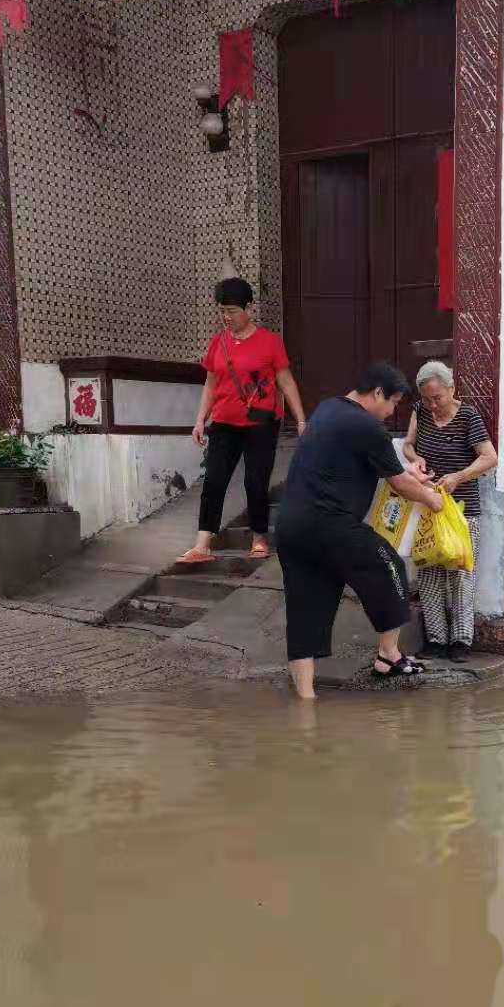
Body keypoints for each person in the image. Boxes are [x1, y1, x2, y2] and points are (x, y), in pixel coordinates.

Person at [276, 362, 444, 701]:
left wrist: (411, 475)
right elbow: (398, 481)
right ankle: (389, 656)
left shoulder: (327, 409)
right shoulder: (367, 426)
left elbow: (388, 467)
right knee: (389, 566)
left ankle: (306, 700)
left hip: (291, 526)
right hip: (330, 523)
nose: (391, 410)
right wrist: (432, 499)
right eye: (392, 402)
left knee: (305, 606)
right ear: (378, 392)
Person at [177, 277, 307, 565]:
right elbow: (210, 385)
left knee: (255, 481)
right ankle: (202, 545)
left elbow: (285, 381)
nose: (226, 317)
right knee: (214, 480)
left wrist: (300, 419)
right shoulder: (217, 342)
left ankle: (259, 537)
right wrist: (200, 420)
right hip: (223, 422)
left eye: (232, 311)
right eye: (222, 310)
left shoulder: (270, 342)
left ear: (249, 308)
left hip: (261, 423)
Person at [403, 360, 498, 662]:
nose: (432, 404)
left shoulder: (468, 416)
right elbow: (407, 444)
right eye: (427, 399)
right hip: (429, 505)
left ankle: (461, 641)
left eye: (437, 398)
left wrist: (459, 476)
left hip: (462, 508)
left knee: (460, 572)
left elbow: (489, 457)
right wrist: (415, 458)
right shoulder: (421, 412)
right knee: (429, 572)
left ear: (451, 389)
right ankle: (435, 640)